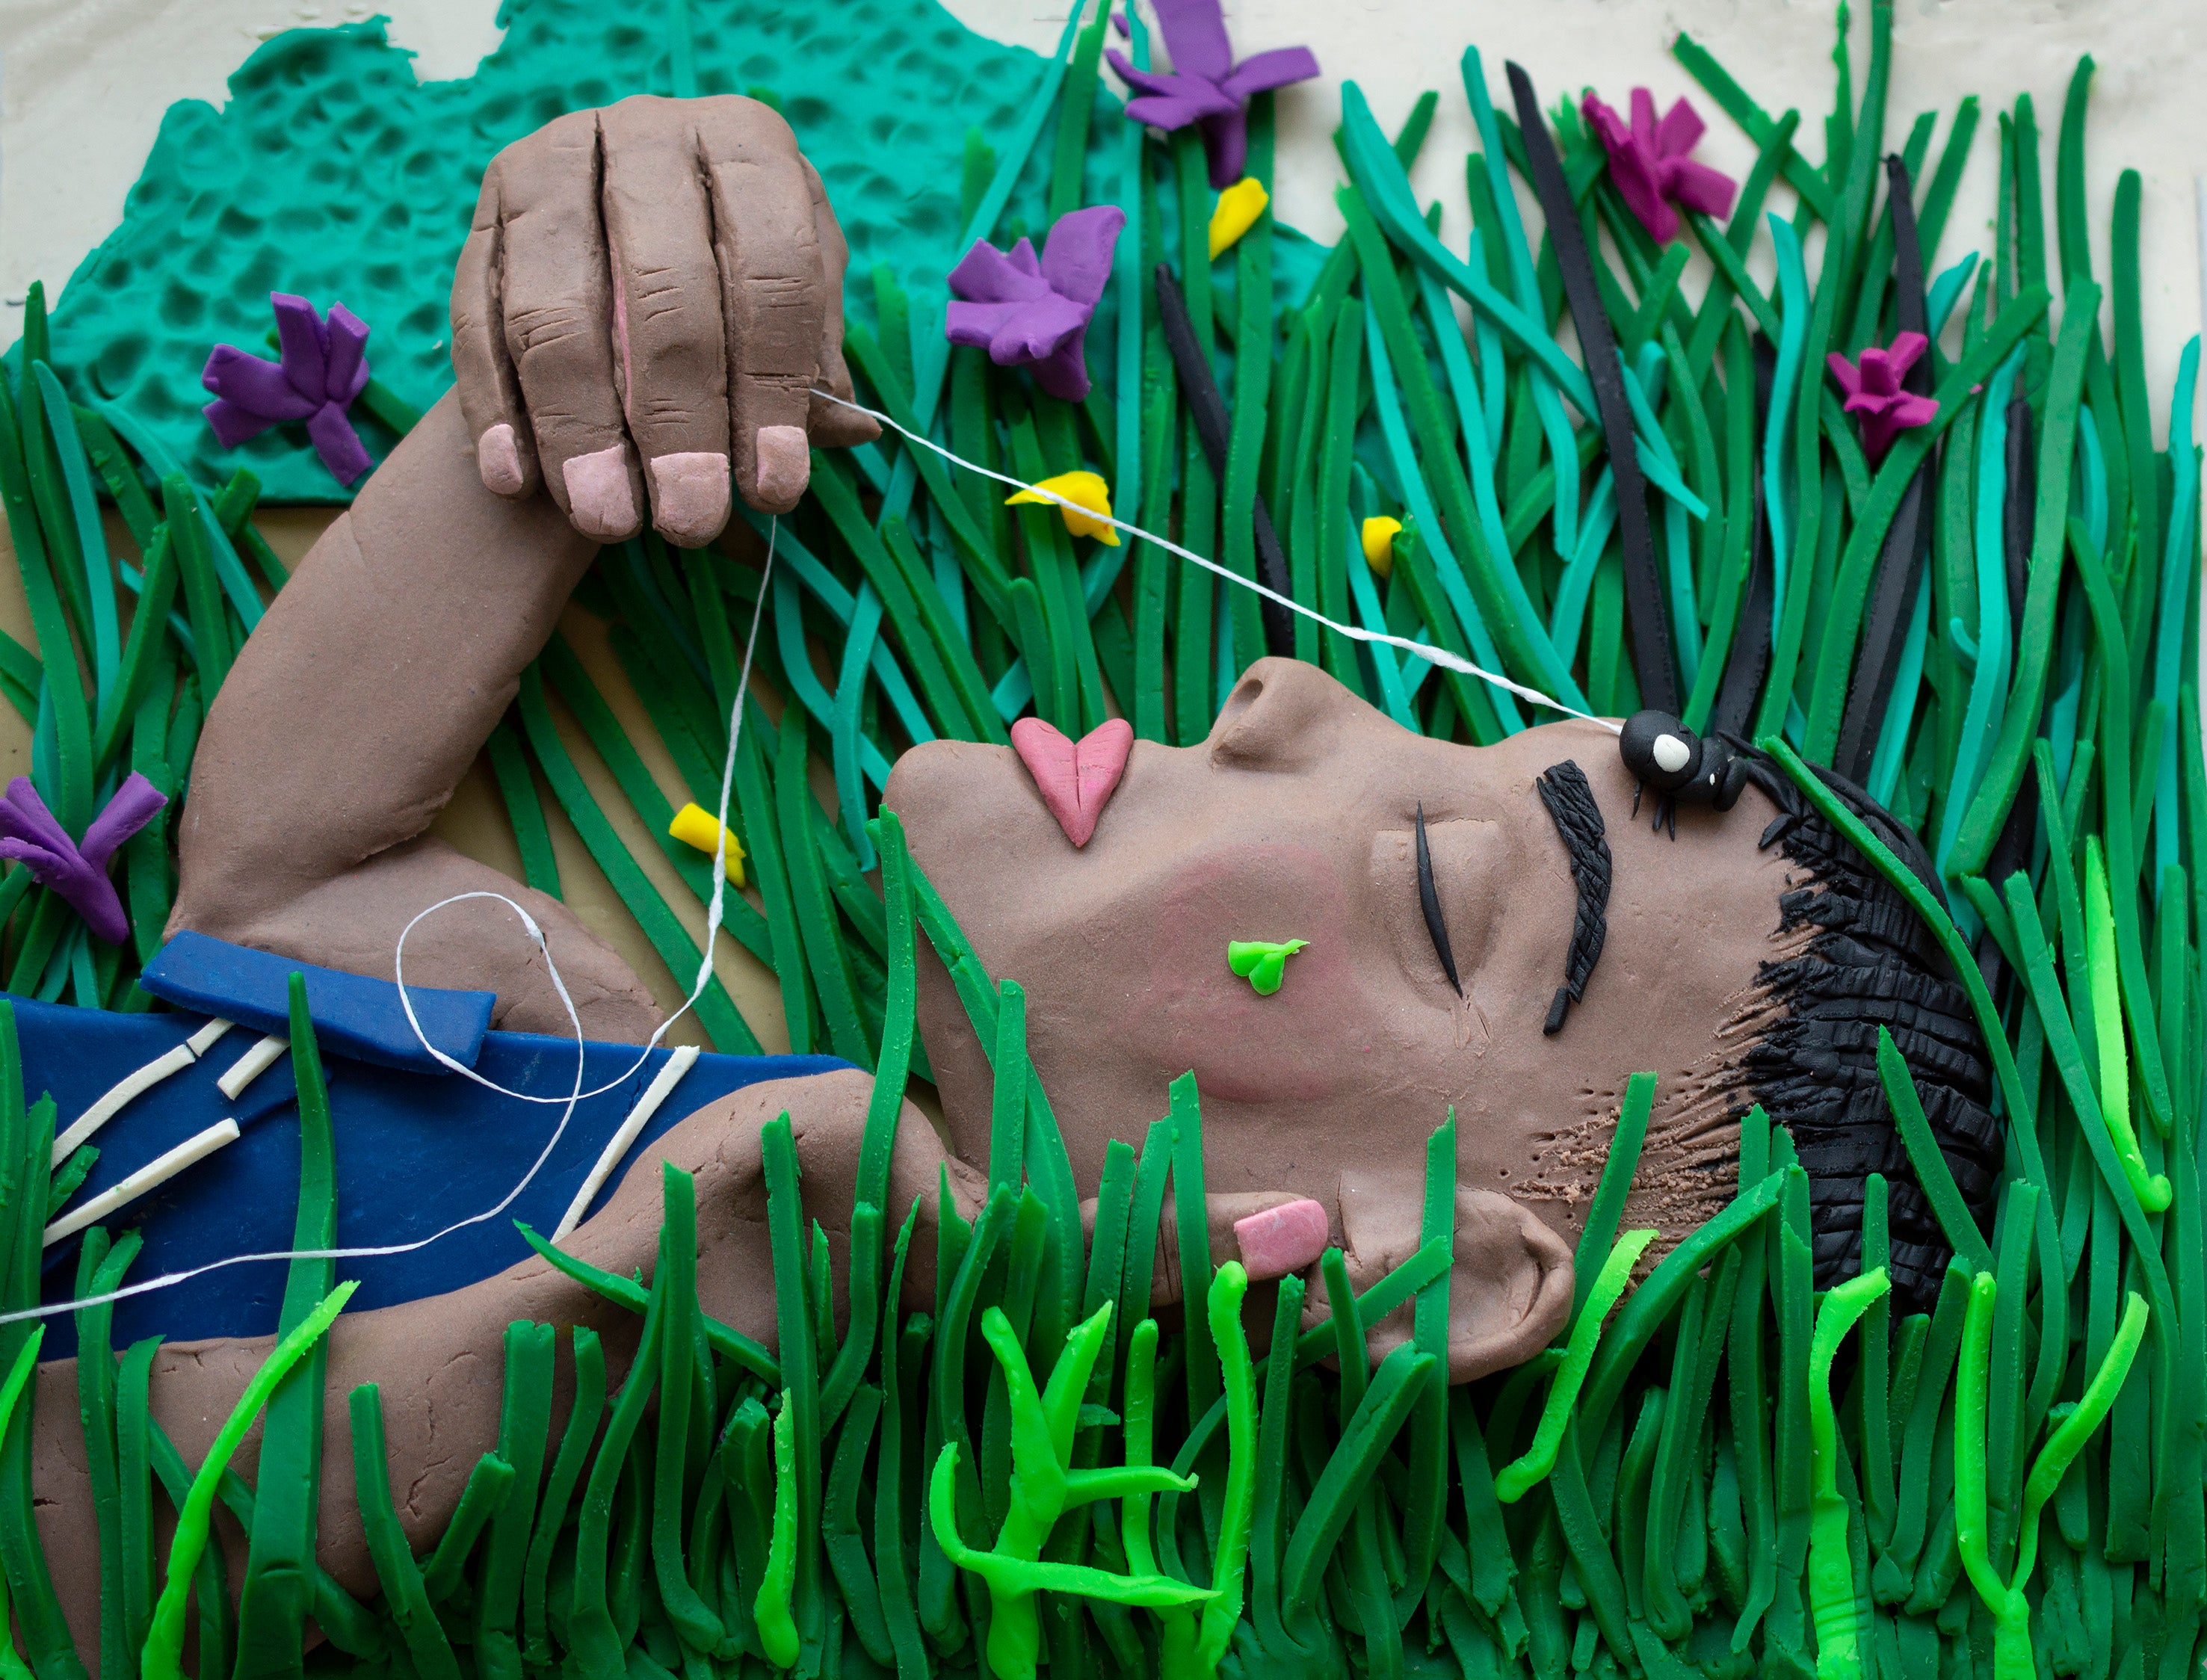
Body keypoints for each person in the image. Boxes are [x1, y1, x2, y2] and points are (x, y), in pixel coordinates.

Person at [30, 93, 1997, 1655]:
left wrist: (682, 1280)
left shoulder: (764, 1412)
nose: (1284, 686)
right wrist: (611, 311)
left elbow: (104, 1555)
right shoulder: (581, 1054)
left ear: (1429, 1268)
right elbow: (281, 870)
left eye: (1424, 874)